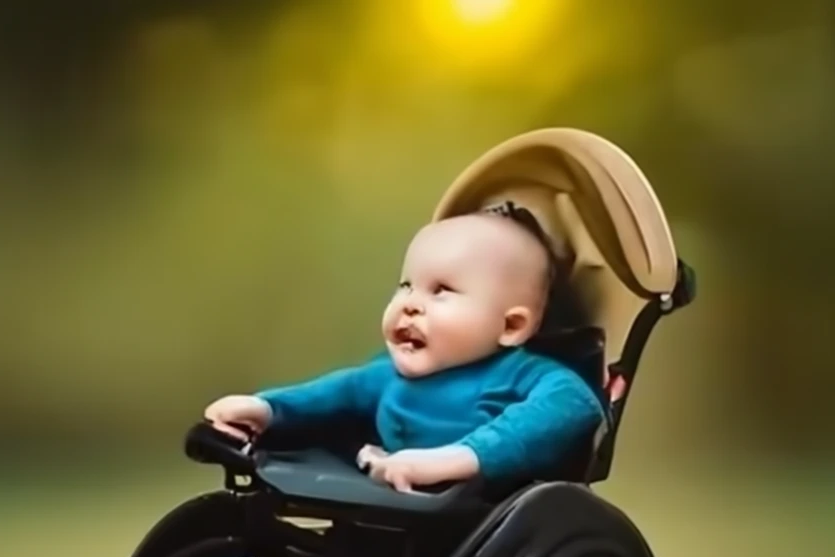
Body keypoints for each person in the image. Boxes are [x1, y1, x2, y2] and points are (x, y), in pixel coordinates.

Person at [204, 203, 604, 493]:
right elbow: (331, 394)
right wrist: (267, 409)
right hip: (393, 500)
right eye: (406, 285)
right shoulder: (388, 376)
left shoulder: (521, 373)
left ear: (511, 325)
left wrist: (462, 458)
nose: (410, 303)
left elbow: (575, 406)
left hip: (480, 517)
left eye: (441, 290)